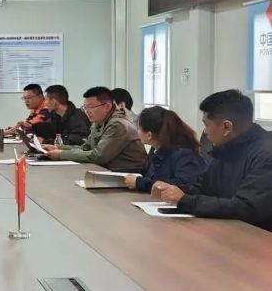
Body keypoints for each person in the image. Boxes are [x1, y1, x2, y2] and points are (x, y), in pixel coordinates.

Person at [153, 90, 272, 230]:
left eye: (207, 125)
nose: (205, 131)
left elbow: (246, 207)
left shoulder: (266, 154)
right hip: (228, 229)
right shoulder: (227, 148)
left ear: (226, 127)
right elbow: (205, 187)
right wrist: (172, 189)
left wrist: (185, 201)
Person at [44, 86, 147, 171]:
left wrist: (61, 154)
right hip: (108, 171)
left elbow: (98, 156)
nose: (87, 111)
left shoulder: (118, 125)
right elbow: (86, 148)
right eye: (85, 107)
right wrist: (58, 148)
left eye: (91, 107)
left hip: (128, 174)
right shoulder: (98, 122)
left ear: (107, 107)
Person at [124, 106, 206, 192]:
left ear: (149, 135)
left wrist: (140, 182)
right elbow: (148, 174)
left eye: (139, 128)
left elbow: (183, 184)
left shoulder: (184, 153)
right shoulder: (156, 149)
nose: (137, 131)